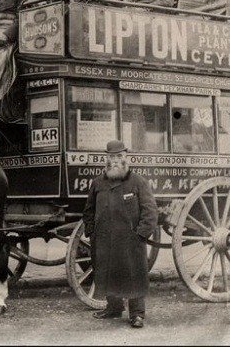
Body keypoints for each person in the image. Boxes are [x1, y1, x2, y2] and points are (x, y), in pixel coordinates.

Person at [82, 140, 158, 328]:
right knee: (108, 273)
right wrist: (91, 232)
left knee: (134, 275)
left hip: (130, 241)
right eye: (111, 157)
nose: (115, 161)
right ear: (106, 159)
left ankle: (137, 314)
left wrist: (140, 235)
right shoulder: (98, 183)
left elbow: (150, 212)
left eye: (119, 157)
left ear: (126, 158)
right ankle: (113, 308)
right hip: (104, 240)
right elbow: (88, 210)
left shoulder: (138, 182)